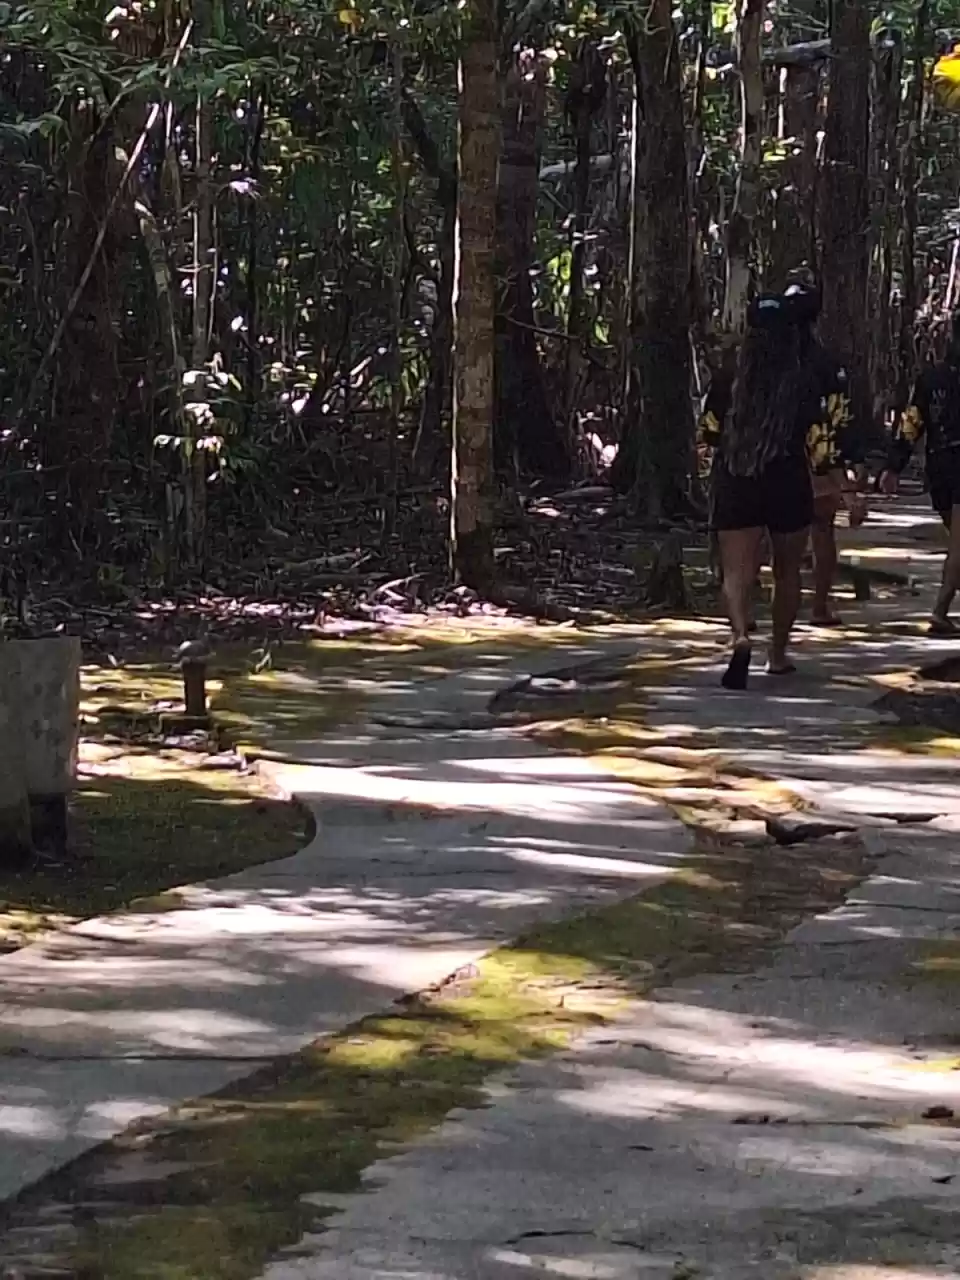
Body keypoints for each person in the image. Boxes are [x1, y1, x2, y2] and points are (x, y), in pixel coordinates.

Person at [700, 290, 854, 690]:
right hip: (786, 478)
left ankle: (740, 635)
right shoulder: (801, 380)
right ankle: (778, 653)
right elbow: (819, 442)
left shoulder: (729, 377)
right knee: (787, 571)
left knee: (737, 572)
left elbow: (709, 431)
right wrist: (838, 484)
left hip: (737, 475)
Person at [784, 278, 868, 625]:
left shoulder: (769, 362)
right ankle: (818, 606)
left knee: (779, 535)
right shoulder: (826, 362)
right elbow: (840, 416)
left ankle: (774, 607)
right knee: (821, 530)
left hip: (779, 458)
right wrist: (850, 463)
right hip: (817, 460)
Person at [880, 310, 960, 635]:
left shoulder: (931, 379)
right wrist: (893, 465)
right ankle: (940, 611)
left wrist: (894, 465)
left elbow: (911, 424)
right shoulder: (932, 379)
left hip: (939, 466)